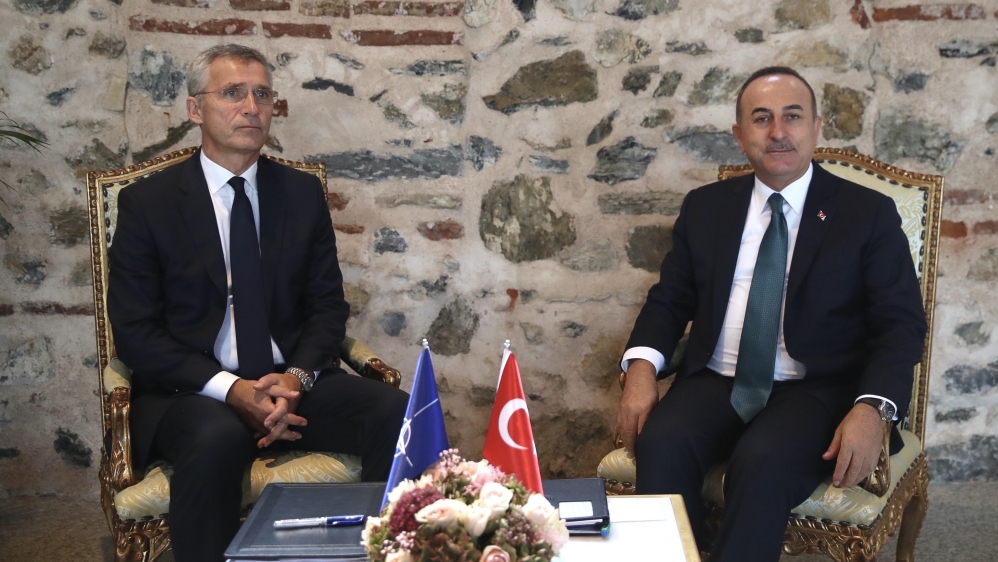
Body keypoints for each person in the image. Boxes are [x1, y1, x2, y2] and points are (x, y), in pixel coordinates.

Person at [107, 44, 409, 562]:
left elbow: (326, 309)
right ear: (195, 109)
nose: (252, 106)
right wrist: (232, 390)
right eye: (233, 93)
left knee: (399, 414)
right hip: (193, 391)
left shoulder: (299, 193)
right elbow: (136, 331)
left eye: (263, 94)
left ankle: (373, 552)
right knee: (216, 440)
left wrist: (295, 379)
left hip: (289, 379)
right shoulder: (148, 203)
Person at [613, 67, 927, 562]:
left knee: (761, 462)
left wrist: (873, 408)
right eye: (761, 119)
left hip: (816, 389)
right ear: (740, 136)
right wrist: (641, 368)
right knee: (664, 442)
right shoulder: (705, 207)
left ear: (816, 127)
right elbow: (669, 300)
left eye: (792, 117)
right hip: (716, 379)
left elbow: (901, 324)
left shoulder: (867, 213)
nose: (778, 131)